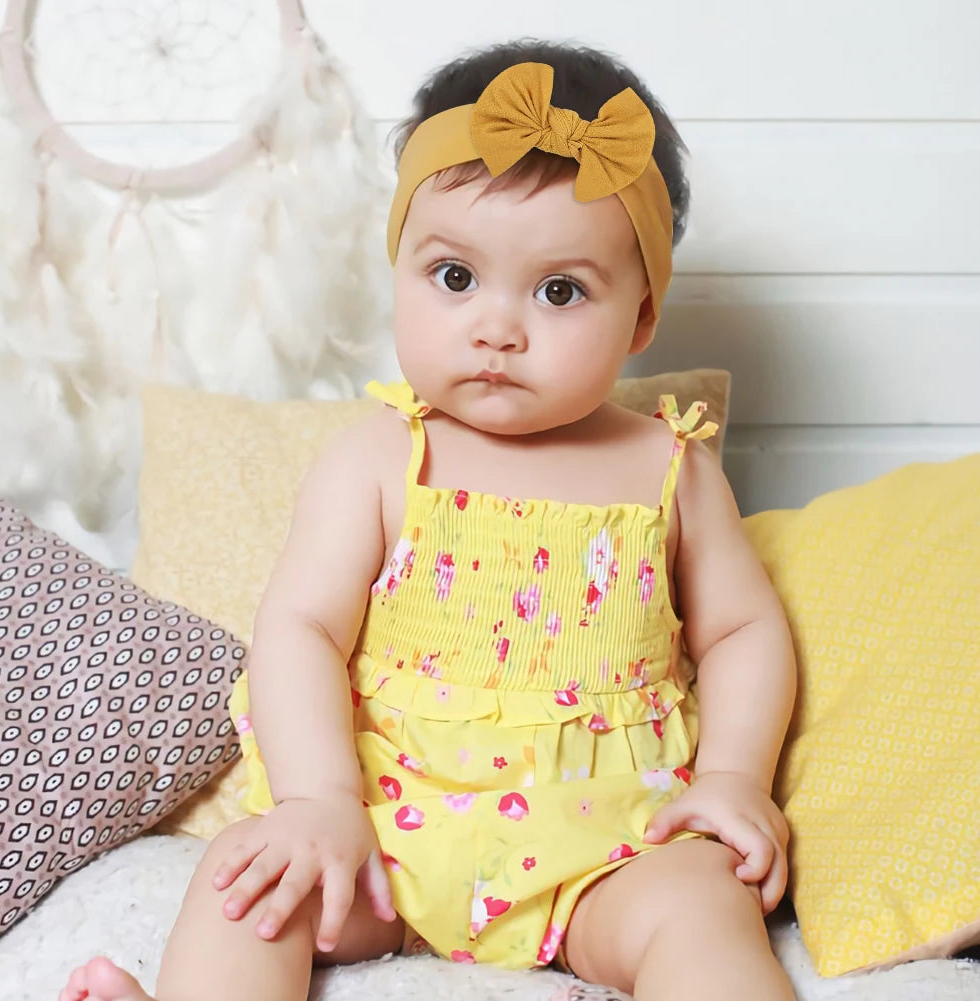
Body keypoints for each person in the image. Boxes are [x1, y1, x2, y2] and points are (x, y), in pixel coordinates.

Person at [61, 38, 798, 1001]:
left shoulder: (668, 469)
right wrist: (320, 803)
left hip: (607, 851)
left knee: (702, 905)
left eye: (560, 290)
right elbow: (301, 629)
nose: (497, 326)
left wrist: (735, 781)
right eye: (455, 278)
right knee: (251, 877)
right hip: (386, 836)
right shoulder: (379, 456)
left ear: (642, 317)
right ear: (400, 268)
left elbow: (744, 629)